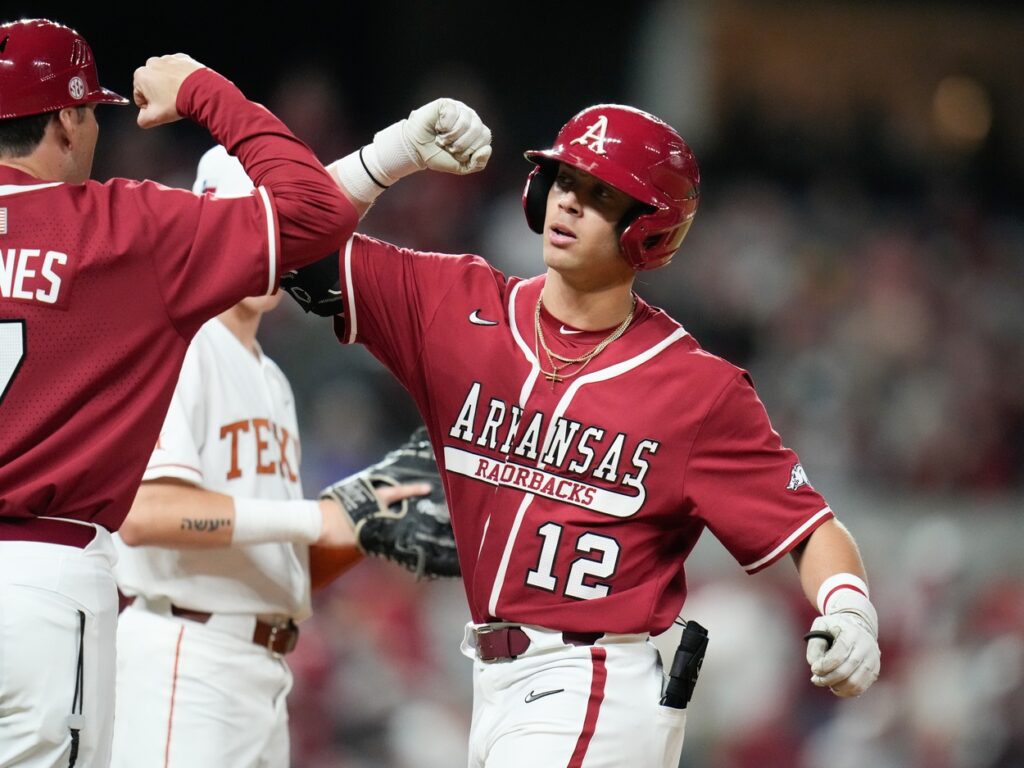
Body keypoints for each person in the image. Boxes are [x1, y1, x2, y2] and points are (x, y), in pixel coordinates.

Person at [285, 100, 882, 767]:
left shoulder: (695, 389)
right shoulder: (457, 306)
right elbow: (284, 240)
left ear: (648, 230)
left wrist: (848, 608)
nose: (568, 204)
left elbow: (807, 528)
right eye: (563, 181)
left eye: (599, 195)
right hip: (492, 680)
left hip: (600, 684)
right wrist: (390, 152)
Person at [0, 18, 356, 767]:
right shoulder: (116, 228)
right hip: (43, 576)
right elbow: (316, 211)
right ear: (66, 117)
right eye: (90, 111)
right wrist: (203, 90)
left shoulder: (260, 372)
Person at [107, 146, 445, 767]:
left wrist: (366, 518)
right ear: (210, 220)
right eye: (260, 221)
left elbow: (274, 560)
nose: (276, 245)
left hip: (259, 667)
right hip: (187, 652)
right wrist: (312, 518)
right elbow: (146, 513)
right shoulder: (179, 344)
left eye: (286, 228)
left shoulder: (273, 379)